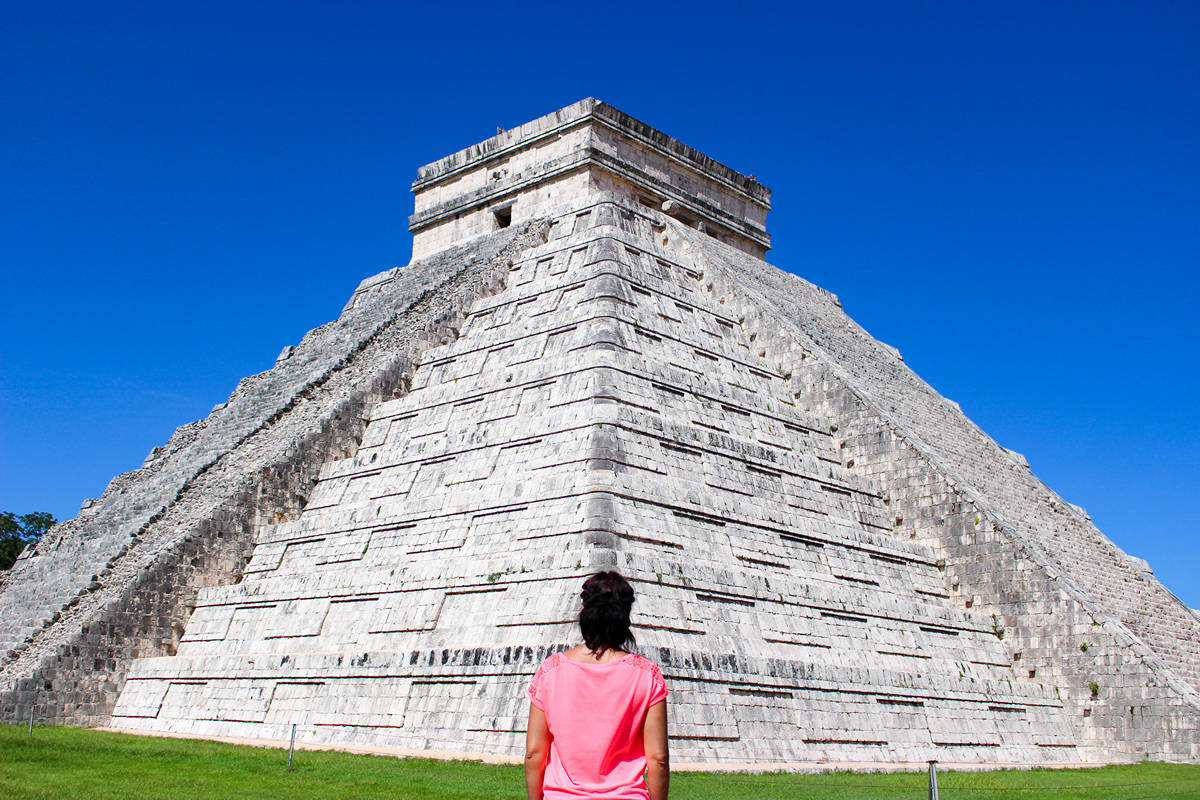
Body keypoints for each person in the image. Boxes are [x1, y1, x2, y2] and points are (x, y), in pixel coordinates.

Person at [524, 571, 669, 800]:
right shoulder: (647, 675)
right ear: (625, 617)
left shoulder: (550, 671)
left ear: (584, 612)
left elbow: (534, 753)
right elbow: (658, 758)